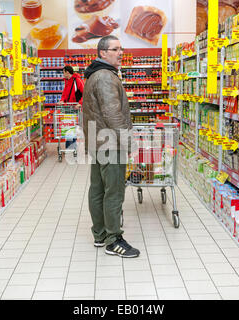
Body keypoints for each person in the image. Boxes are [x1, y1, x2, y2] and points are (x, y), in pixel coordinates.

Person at [82, 35, 140, 258]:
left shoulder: (95, 74)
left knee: (97, 189)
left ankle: (100, 234)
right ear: (102, 53)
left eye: (121, 48)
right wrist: (128, 142)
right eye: (115, 49)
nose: (121, 52)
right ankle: (113, 240)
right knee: (113, 192)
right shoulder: (106, 77)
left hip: (98, 142)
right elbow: (113, 114)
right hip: (111, 144)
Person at [58, 65, 84, 149]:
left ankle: (72, 146)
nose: (63, 74)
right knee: (68, 127)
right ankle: (69, 146)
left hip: (75, 108)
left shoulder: (77, 81)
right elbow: (65, 93)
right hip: (68, 108)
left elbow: (85, 93)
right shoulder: (67, 81)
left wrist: (80, 103)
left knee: (73, 127)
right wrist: (62, 100)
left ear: (67, 72)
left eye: (63, 72)